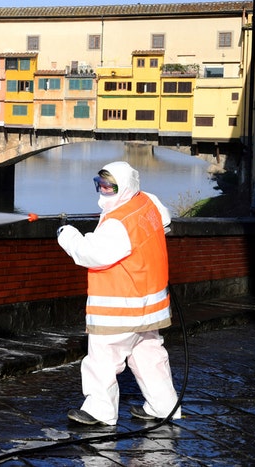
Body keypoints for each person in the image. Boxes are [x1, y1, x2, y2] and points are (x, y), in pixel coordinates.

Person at [56, 161, 182, 426]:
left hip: (121, 306)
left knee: (103, 359)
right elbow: (165, 221)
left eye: (109, 187)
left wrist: (66, 234)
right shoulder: (147, 201)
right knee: (149, 356)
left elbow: (91, 254)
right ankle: (164, 407)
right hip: (151, 304)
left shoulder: (118, 223)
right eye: (99, 184)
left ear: (123, 187)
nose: (103, 190)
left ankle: (100, 411)